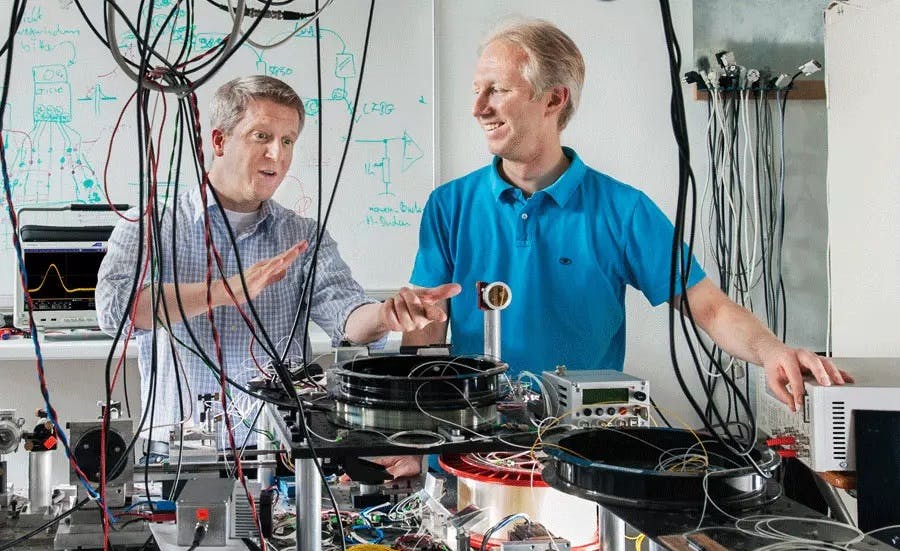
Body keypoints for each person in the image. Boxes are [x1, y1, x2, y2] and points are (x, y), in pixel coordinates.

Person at [404, 18, 850, 413]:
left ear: (553, 99)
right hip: (471, 451)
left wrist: (773, 350)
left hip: (582, 454)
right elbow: (425, 328)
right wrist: (406, 434)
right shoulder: (449, 206)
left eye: (498, 90)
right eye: (477, 90)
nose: (478, 107)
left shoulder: (622, 210)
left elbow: (709, 307)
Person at [96, 75, 453, 477]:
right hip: (178, 462)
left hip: (280, 459)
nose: (277, 155)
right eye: (261, 136)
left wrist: (385, 316)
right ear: (218, 141)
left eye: (287, 141)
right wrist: (223, 291)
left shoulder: (301, 235)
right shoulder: (152, 225)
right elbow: (115, 310)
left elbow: (347, 315)